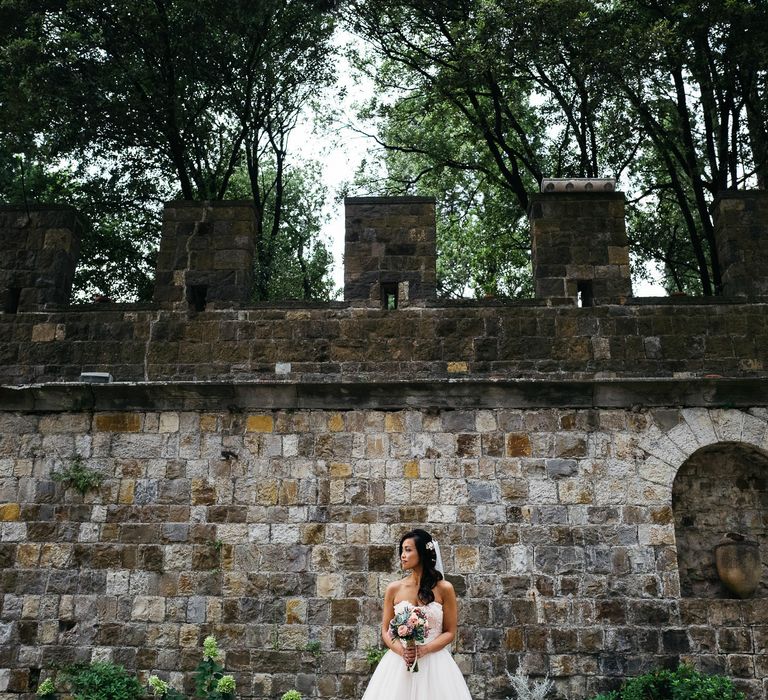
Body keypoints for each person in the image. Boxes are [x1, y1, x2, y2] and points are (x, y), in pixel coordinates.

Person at [361, 528, 473, 700]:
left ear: (422, 552)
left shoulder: (445, 588)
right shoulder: (394, 588)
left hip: (435, 663)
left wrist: (424, 649)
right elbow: (385, 631)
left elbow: (450, 632)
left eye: (408, 550)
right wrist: (402, 652)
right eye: (402, 550)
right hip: (399, 662)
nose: (402, 555)